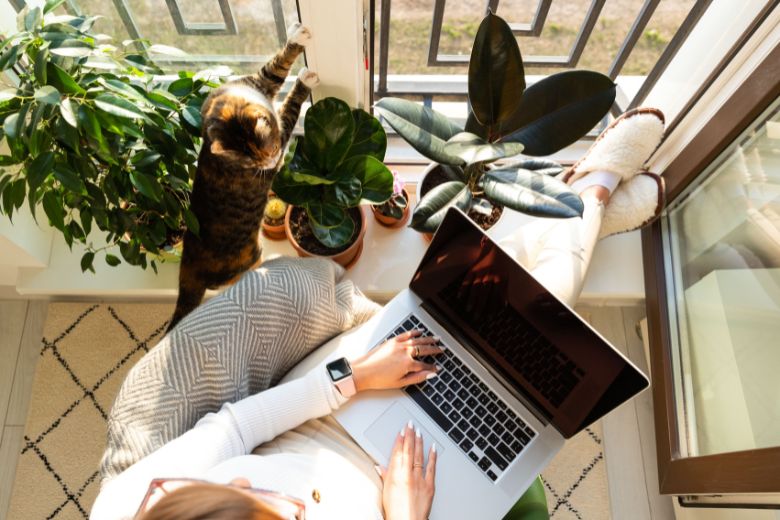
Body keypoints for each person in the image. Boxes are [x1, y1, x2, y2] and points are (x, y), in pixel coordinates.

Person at [90, 108, 666, 520]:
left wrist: (354, 377)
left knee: (480, 307)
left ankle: (586, 202)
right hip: (408, 499)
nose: (242, 476)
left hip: (320, 420)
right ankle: (587, 199)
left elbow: (238, 428)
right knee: (538, 335)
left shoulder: (136, 506)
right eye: (259, 504)